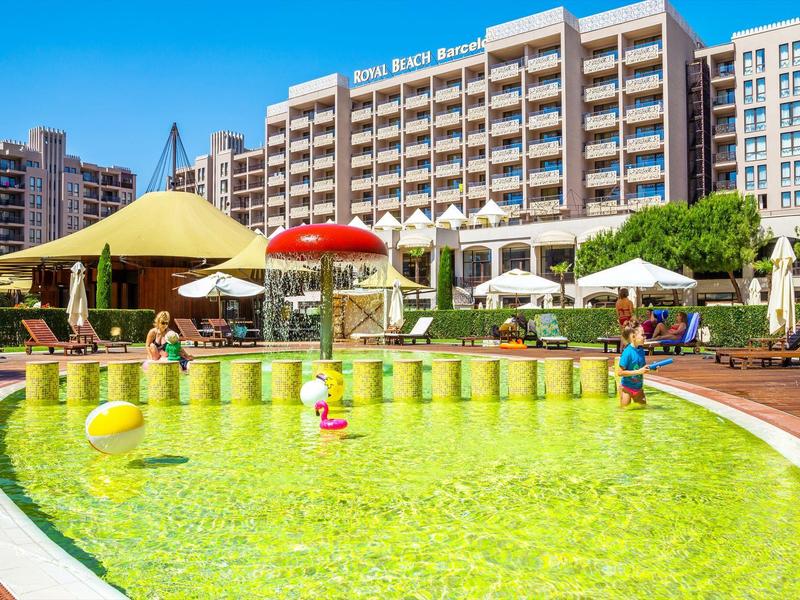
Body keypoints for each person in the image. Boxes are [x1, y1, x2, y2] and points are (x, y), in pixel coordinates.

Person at [617, 321, 649, 408]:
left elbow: (642, 367)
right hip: (626, 389)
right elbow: (620, 373)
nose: (645, 337)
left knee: (643, 410)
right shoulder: (627, 352)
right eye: (642, 335)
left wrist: (651, 368)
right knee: (624, 412)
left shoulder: (641, 350)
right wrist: (638, 371)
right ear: (634, 337)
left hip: (638, 388)